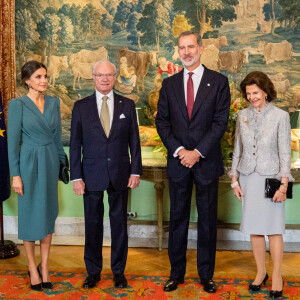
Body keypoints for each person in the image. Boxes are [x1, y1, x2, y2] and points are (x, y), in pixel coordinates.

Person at [155, 31, 231, 294]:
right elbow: (162, 122)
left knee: (208, 221)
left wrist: (197, 152)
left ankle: (206, 275)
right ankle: (176, 274)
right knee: (177, 219)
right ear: (178, 51)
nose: (186, 52)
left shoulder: (219, 82)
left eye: (190, 46)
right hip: (178, 163)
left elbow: (220, 123)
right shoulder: (169, 84)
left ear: (201, 48)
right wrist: (179, 150)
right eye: (181, 48)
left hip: (206, 161)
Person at [70, 60, 142, 289]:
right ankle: (93, 271)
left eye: (109, 75)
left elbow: (135, 142)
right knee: (93, 224)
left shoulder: (127, 105)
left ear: (115, 77)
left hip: (121, 173)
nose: (104, 79)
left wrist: (135, 171)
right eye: (100, 75)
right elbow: (74, 145)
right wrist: (76, 177)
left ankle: (119, 272)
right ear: (93, 76)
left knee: (119, 223)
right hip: (90, 175)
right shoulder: (81, 107)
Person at [230, 71, 293, 298]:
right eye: (248, 93)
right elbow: (238, 149)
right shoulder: (242, 116)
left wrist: (284, 185)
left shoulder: (281, 116)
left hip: (272, 179)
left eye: (255, 92)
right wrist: (234, 180)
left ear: (266, 92)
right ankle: (261, 272)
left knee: (274, 230)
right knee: (255, 229)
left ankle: (277, 275)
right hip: (248, 178)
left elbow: (285, 153)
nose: (251, 97)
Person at [7, 60, 66, 291]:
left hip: (50, 161)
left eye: (46, 76)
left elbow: (57, 138)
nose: (44, 81)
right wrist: (16, 176)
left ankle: (45, 268)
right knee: (31, 215)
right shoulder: (17, 104)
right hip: (29, 163)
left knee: (48, 215)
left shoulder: (53, 102)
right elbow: (12, 144)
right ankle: (32, 267)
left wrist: (63, 165)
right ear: (27, 80)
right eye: (39, 77)